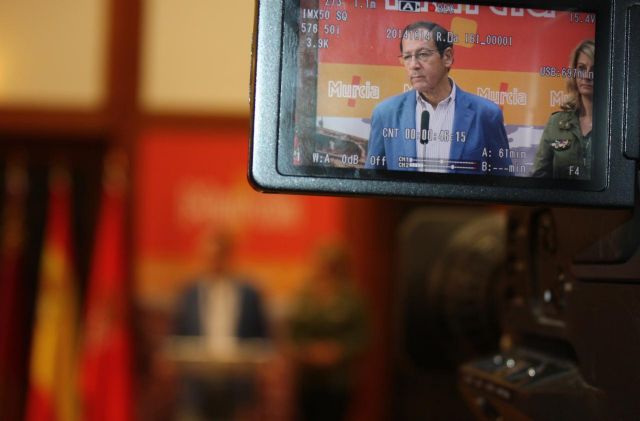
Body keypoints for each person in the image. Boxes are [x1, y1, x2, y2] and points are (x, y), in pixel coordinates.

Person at [366, 21, 511, 174]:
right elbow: (373, 179)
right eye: (407, 57)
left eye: (423, 54)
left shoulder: (486, 115)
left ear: (447, 57)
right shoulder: (386, 114)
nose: (413, 65)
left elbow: (502, 180)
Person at [173, 231, 269, 420]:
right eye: (208, 256)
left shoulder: (249, 294)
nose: (213, 262)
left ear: (229, 256)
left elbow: (264, 340)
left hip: (238, 386)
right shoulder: (189, 293)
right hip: (197, 386)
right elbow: (177, 338)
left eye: (218, 256)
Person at [286, 243, 368, 421]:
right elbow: (292, 333)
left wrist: (337, 351)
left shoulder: (351, 297)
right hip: (307, 378)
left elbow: (362, 337)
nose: (324, 270)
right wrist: (308, 351)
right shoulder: (304, 296)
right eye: (321, 264)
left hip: (338, 380)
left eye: (330, 265)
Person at [532, 40, 595, 179]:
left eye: (594, 70)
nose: (586, 76)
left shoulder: (617, 125)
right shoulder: (556, 122)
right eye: (581, 68)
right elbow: (538, 176)